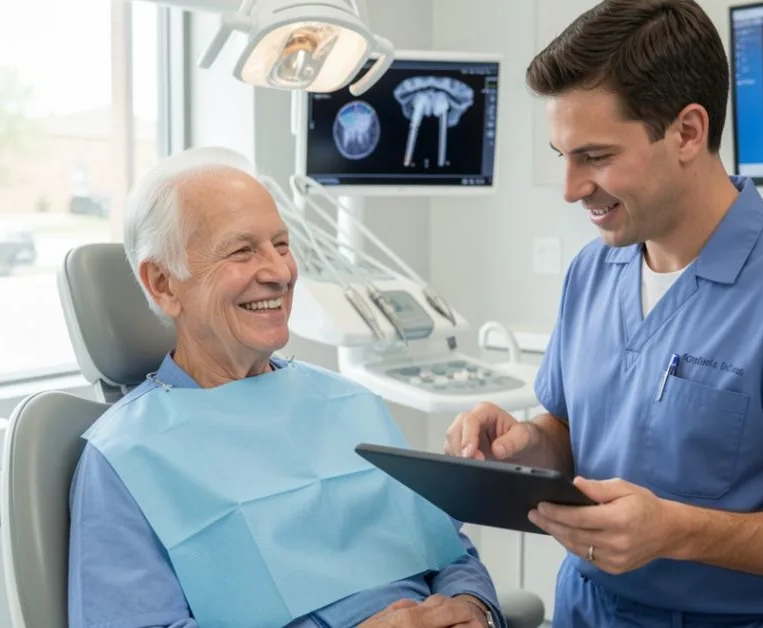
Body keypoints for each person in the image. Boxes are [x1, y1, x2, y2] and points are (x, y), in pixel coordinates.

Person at [445, 0, 763, 626]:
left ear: (688, 132)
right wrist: (526, 444)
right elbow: (572, 432)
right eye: (564, 156)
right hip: (585, 608)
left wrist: (678, 532)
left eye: (597, 156)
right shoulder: (593, 270)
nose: (571, 188)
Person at [68, 146, 503, 628]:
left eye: (281, 244)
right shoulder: (125, 457)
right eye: (242, 250)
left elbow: (448, 553)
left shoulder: (349, 404)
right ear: (163, 284)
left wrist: (474, 608)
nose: (279, 272)